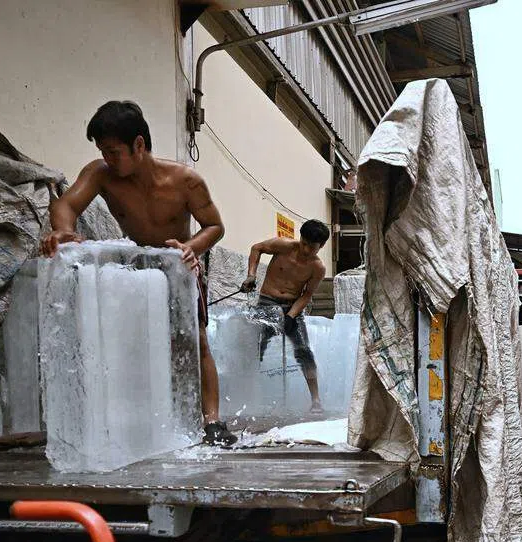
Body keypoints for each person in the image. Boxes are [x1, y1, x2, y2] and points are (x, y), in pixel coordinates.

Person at [40, 100, 237, 446]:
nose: (108, 159)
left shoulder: (185, 181)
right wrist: (63, 231)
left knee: (195, 342)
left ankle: (212, 421)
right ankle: (139, 416)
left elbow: (215, 226)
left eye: (114, 152)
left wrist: (192, 247)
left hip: (178, 264)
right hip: (137, 267)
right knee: (135, 342)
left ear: (140, 145)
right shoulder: (101, 174)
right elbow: (66, 204)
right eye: (103, 151)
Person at [240, 220, 330, 413]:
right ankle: (247, 393)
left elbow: (306, 295)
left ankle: (315, 400)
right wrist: (251, 276)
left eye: (312, 247)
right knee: (256, 347)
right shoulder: (284, 246)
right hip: (267, 302)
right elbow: (257, 248)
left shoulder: (317, 268)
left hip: (292, 306)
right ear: (300, 238)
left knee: (304, 350)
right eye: (304, 243)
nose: (306, 250)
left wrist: (290, 316)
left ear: (321, 246)